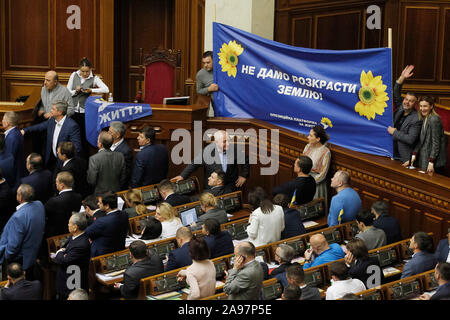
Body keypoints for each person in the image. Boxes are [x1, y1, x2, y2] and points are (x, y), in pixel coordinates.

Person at [173, 130, 250, 192]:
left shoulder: (234, 148)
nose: (228, 144)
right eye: (224, 141)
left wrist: (244, 175)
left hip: (230, 186)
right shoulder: (207, 151)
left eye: (228, 140)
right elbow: (194, 163)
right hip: (212, 188)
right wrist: (183, 175)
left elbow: (246, 160)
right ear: (216, 142)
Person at [0, 184, 45, 279]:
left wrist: (7, 256)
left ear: (20, 197)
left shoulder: (19, 217)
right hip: (33, 254)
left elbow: (14, 244)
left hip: (20, 260)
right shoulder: (39, 205)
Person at [22, 100, 82, 171]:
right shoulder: (52, 121)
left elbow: (76, 148)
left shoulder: (72, 126)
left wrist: (66, 161)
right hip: (51, 160)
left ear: (60, 112)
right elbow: (40, 126)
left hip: (64, 163)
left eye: (53, 109)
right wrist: (25, 130)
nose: (51, 110)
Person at [67, 57, 110, 156]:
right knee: (73, 136)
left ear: (90, 69)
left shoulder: (94, 78)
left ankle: (83, 158)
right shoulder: (74, 75)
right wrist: (75, 91)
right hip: (73, 111)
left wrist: (91, 90)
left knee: (83, 137)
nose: (85, 73)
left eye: (87, 71)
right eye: (83, 71)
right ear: (79, 69)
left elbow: (106, 89)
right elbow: (68, 91)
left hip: (85, 112)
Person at [387, 65, 422, 164]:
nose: (407, 102)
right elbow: (396, 92)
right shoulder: (401, 107)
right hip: (389, 151)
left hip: (403, 157)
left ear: (415, 104)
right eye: (406, 99)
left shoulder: (416, 118)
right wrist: (402, 77)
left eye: (411, 101)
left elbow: (410, 139)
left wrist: (394, 132)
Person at [53, 212, 91, 300]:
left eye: (69, 223)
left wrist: (59, 252)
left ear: (75, 227)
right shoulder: (73, 237)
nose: (68, 225)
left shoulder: (81, 244)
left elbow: (63, 260)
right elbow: (63, 249)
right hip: (65, 280)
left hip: (72, 284)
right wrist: (63, 253)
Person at [407, 96, 447, 174]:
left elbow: (436, 144)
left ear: (431, 106)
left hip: (435, 162)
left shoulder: (434, 119)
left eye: (425, 106)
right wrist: (414, 154)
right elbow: (421, 140)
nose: (422, 109)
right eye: (421, 106)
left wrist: (431, 162)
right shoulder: (425, 117)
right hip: (425, 157)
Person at [85, 192, 129, 257]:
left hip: (102, 255)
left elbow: (86, 233)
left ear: (107, 206)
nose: (98, 204)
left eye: (100, 203)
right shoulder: (124, 214)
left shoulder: (102, 221)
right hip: (119, 250)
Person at [44, 171, 82, 237]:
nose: (55, 184)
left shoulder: (54, 201)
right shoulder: (78, 197)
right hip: (71, 233)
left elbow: (43, 214)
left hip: (55, 235)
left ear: (62, 185)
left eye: (56, 182)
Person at [302, 125, 331, 204]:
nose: (308, 137)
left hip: (316, 185)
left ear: (318, 139)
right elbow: (301, 163)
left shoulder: (326, 152)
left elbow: (323, 174)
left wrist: (310, 182)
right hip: (304, 180)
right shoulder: (307, 147)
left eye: (311, 136)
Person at [2, 111, 26, 183]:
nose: (2, 121)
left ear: (7, 123)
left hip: (12, 175)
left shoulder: (12, 137)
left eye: (3, 119)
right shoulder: (15, 131)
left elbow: (9, 159)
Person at [109, 121, 133, 189]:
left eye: (110, 132)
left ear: (117, 135)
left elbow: (125, 174)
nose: (108, 133)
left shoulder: (125, 151)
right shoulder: (107, 143)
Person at [196, 51, 219, 116]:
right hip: (215, 104)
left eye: (208, 62)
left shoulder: (222, 69)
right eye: (204, 63)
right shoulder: (200, 74)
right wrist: (209, 89)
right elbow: (199, 91)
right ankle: (199, 126)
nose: (205, 65)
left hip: (229, 102)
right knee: (198, 120)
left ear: (214, 61)